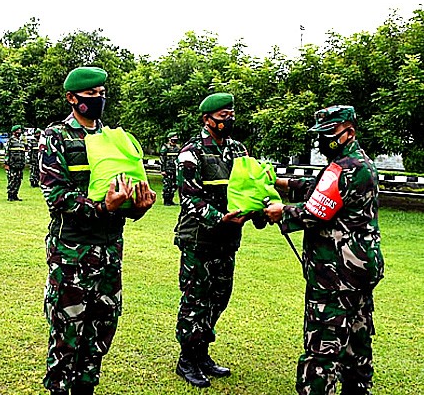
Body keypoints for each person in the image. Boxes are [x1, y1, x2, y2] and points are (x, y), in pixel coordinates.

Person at [40, 66, 156, 395]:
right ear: (72, 98)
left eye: (102, 93)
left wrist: (137, 206)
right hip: (72, 253)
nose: (98, 99)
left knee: (101, 330)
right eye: (91, 94)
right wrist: (103, 207)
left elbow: (126, 189)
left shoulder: (113, 138)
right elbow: (56, 196)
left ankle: (85, 388)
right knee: (68, 334)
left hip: (108, 253)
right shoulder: (57, 137)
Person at [264, 105, 384, 395]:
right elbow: (320, 185)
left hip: (336, 272)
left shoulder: (347, 167)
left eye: (329, 134)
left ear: (349, 132)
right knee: (357, 336)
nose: (322, 141)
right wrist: (282, 182)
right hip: (359, 269)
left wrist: (282, 212)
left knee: (323, 344)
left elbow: (315, 212)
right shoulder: (355, 163)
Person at [173, 92, 255, 388]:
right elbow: (190, 200)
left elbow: (250, 187)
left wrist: (256, 209)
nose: (229, 120)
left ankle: (202, 352)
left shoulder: (238, 150)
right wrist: (220, 217)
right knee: (196, 299)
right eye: (223, 117)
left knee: (219, 298)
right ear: (207, 120)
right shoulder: (190, 153)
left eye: (231, 114)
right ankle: (187, 359)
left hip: (228, 239)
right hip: (199, 239)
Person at [4, 124, 27, 201]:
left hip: (20, 164)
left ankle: (15, 195)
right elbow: (7, 153)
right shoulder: (10, 141)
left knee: (18, 180)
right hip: (12, 164)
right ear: (14, 132)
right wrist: (6, 163)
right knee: (12, 180)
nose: (19, 132)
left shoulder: (22, 141)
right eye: (17, 131)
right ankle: (10, 195)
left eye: (20, 130)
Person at [159, 131, 181, 206]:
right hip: (168, 170)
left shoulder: (178, 148)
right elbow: (162, 159)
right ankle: (166, 200)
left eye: (176, 140)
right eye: (173, 140)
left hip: (175, 169)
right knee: (167, 185)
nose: (174, 141)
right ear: (169, 139)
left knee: (174, 185)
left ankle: (171, 200)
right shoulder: (165, 147)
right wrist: (163, 170)